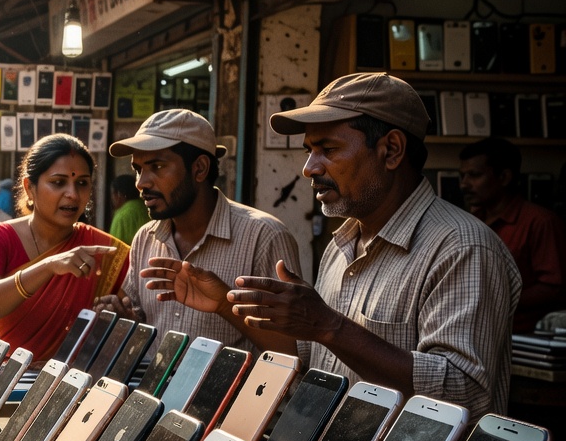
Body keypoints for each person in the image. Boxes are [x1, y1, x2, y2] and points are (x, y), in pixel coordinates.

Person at [184, 73, 520, 421]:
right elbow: (313, 355)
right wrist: (224, 304)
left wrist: (329, 325)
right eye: (309, 150)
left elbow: (462, 394)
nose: (309, 168)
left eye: (327, 149)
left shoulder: (462, 248)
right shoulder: (344, 243)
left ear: (391, 150)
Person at [100, 109, 300, 357]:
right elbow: (142, 321)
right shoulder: (146, 238)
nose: (141, 183)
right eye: (138, 169)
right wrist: (125, 319)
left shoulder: (264, 236)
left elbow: (294, 353)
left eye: (157, 167)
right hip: (153, 393)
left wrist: (225, 305)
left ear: (200, 169)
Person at [0, 133, 130, 362]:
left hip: (72, 386)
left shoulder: (104, 250)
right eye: (58, 182)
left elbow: (138, 322)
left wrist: (122, 319)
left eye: (82, 183)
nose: (73, 194)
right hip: (0, 384)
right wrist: (48, 266)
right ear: (29, 187)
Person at [459, 137, 566, 333]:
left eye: (474, 175)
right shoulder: (469, 223)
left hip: (524, 340)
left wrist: (494, 301)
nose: (464, 185)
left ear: (504, 177)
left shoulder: (540, 222)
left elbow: (555, 289)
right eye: (462, 176)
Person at [106, 173, 145, 245]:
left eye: (113, 194)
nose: (112, 198)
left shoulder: (121, 216)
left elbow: (115, 250)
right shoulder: (147, 208)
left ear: (118, 194)